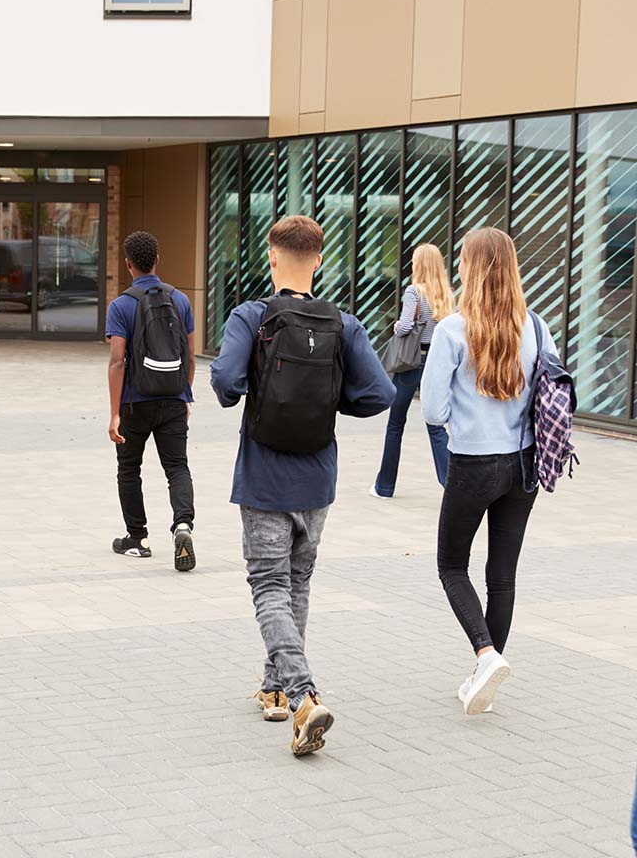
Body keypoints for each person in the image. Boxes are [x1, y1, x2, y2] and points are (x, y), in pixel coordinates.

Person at [210, 215, 394, 755]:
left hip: (264, 475)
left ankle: (303, 695)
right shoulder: (345, 324)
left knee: (269, 586)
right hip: (317, 477)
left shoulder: (251, 315)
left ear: (271, 256)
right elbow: (380, 393)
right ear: (318, 259)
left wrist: (249, 395)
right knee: (297, 584)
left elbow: (224, 380)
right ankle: (273, 690)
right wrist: (329, 402)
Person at [421, 227, 559, 716]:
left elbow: (433, 411)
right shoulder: (537, 327)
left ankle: (484, 656)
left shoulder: (452, 330)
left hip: (474, 464)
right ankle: (487, 674)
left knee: (450, 565)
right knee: (502, 574)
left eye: (462, 260)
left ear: (472, 269)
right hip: (524, 465)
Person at [106, 230, 196, 572]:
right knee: (177, 466)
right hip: (173, 399)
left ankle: (137, 538)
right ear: (157, 260)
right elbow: (188, 354)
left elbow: (117, 361)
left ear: (128, 264)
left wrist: (114, 413)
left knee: (129, 468)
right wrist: (184, 395)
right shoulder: (181, 301)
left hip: (134, 402)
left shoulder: (121, 305)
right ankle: (183, 524)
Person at [371, 243, 453, 498]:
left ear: (419, 264)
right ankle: (451, 484)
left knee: (396, 423)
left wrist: (396, 326)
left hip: (410, 363)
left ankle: (384, 487)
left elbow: (406, 326)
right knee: (435, 424)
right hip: (435, 362)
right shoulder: (447, 294)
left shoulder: (414, 292)